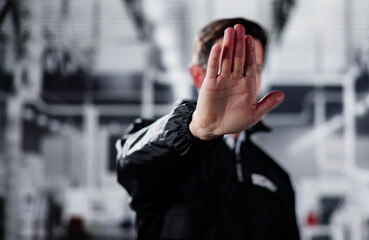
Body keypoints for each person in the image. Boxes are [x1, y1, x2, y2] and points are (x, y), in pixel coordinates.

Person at [116, 18, 300, 240]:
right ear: (197, 75)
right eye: (228, 67)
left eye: (252, 68)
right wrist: (195, 129)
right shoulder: (167, 155)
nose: (239, 79)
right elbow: (129, 164)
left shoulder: (276, 178)